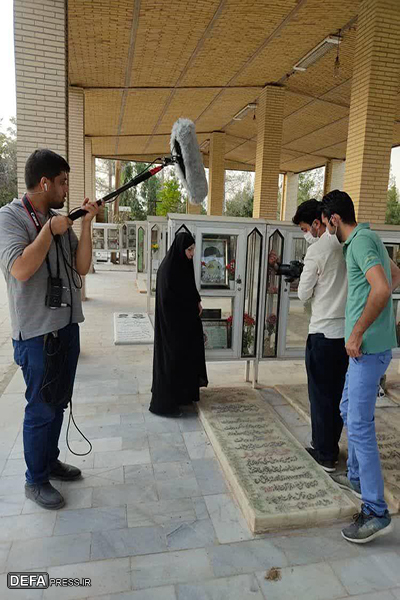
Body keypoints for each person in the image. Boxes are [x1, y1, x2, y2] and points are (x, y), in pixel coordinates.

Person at [0, 149, 100, 510]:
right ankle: (35, 479)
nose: (65, 188)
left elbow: (82, 266)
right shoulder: (9, 218)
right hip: (36, 336)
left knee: (58, 403)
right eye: (62, 182)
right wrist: (47, 231)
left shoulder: (59, 219)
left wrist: (86, 224)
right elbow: (20, 269)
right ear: (44, 183)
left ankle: (50, 461)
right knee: (40, 408)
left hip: (66, 329)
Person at [321, 189, 400, 543]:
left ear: (335, 219)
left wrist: (358, 332)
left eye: (325, 225)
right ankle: (355, 477)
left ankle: (375, 511)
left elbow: (382, 289)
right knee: (347, 407)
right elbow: (395, 275)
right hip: (366, 349)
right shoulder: (368, 240)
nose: (325, 232)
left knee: (360, 425)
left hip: (366, 351)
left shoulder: (362, 242)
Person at [292, 199, 348, 472]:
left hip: (323, 334)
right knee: (337, 395)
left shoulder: (319, 250)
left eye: (306, 228)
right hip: (347, 335)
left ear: (320, 222)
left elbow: (303, 293)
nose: (306, 233)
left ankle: (324, 453)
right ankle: (331, 446)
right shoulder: (351, 245)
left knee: (320, 396)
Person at [150, 231, 208, 417]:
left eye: (193, 250)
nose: (191, 254)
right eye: (189, 250)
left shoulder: (183, 265)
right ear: (181, 248)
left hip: (184, 326)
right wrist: (188, 307)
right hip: (172, 328)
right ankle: (167, 404)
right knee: (172, 361)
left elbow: (189, 287)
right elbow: (169, 299)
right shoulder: (168, 269)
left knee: (187, 359)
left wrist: (196, 301)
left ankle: (184, 396)